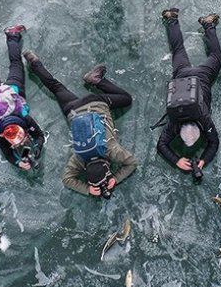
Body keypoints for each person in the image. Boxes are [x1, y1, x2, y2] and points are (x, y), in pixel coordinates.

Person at [23, 52, 137, 197]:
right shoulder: (79, 157)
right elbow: (66, 179)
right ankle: (33, 60)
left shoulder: (111, 150)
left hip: (95, 102)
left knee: (126, 99)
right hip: (73, 110)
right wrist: (88, 188)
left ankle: (95, 80)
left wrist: (114, 179)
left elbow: (132, 163)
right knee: (55, 86)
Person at [155, 9, 221, 179]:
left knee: (215, 55)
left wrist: (178, 160)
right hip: (182, 75)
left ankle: (208, 24)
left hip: (202, 76)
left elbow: (214, 142)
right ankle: (172, 18)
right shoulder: (176, 121)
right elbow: (161, 145)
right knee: (178, 51)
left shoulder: (200, 118)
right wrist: (201, 160)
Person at [0, 26, 46, 170]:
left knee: (14, 63)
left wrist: (35, 148)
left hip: (12, 90)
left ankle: (11, 35)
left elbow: (37, 137)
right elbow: (36, 136)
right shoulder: (2, 127)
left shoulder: (21, 118)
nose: (17, 145)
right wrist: (21, 160)